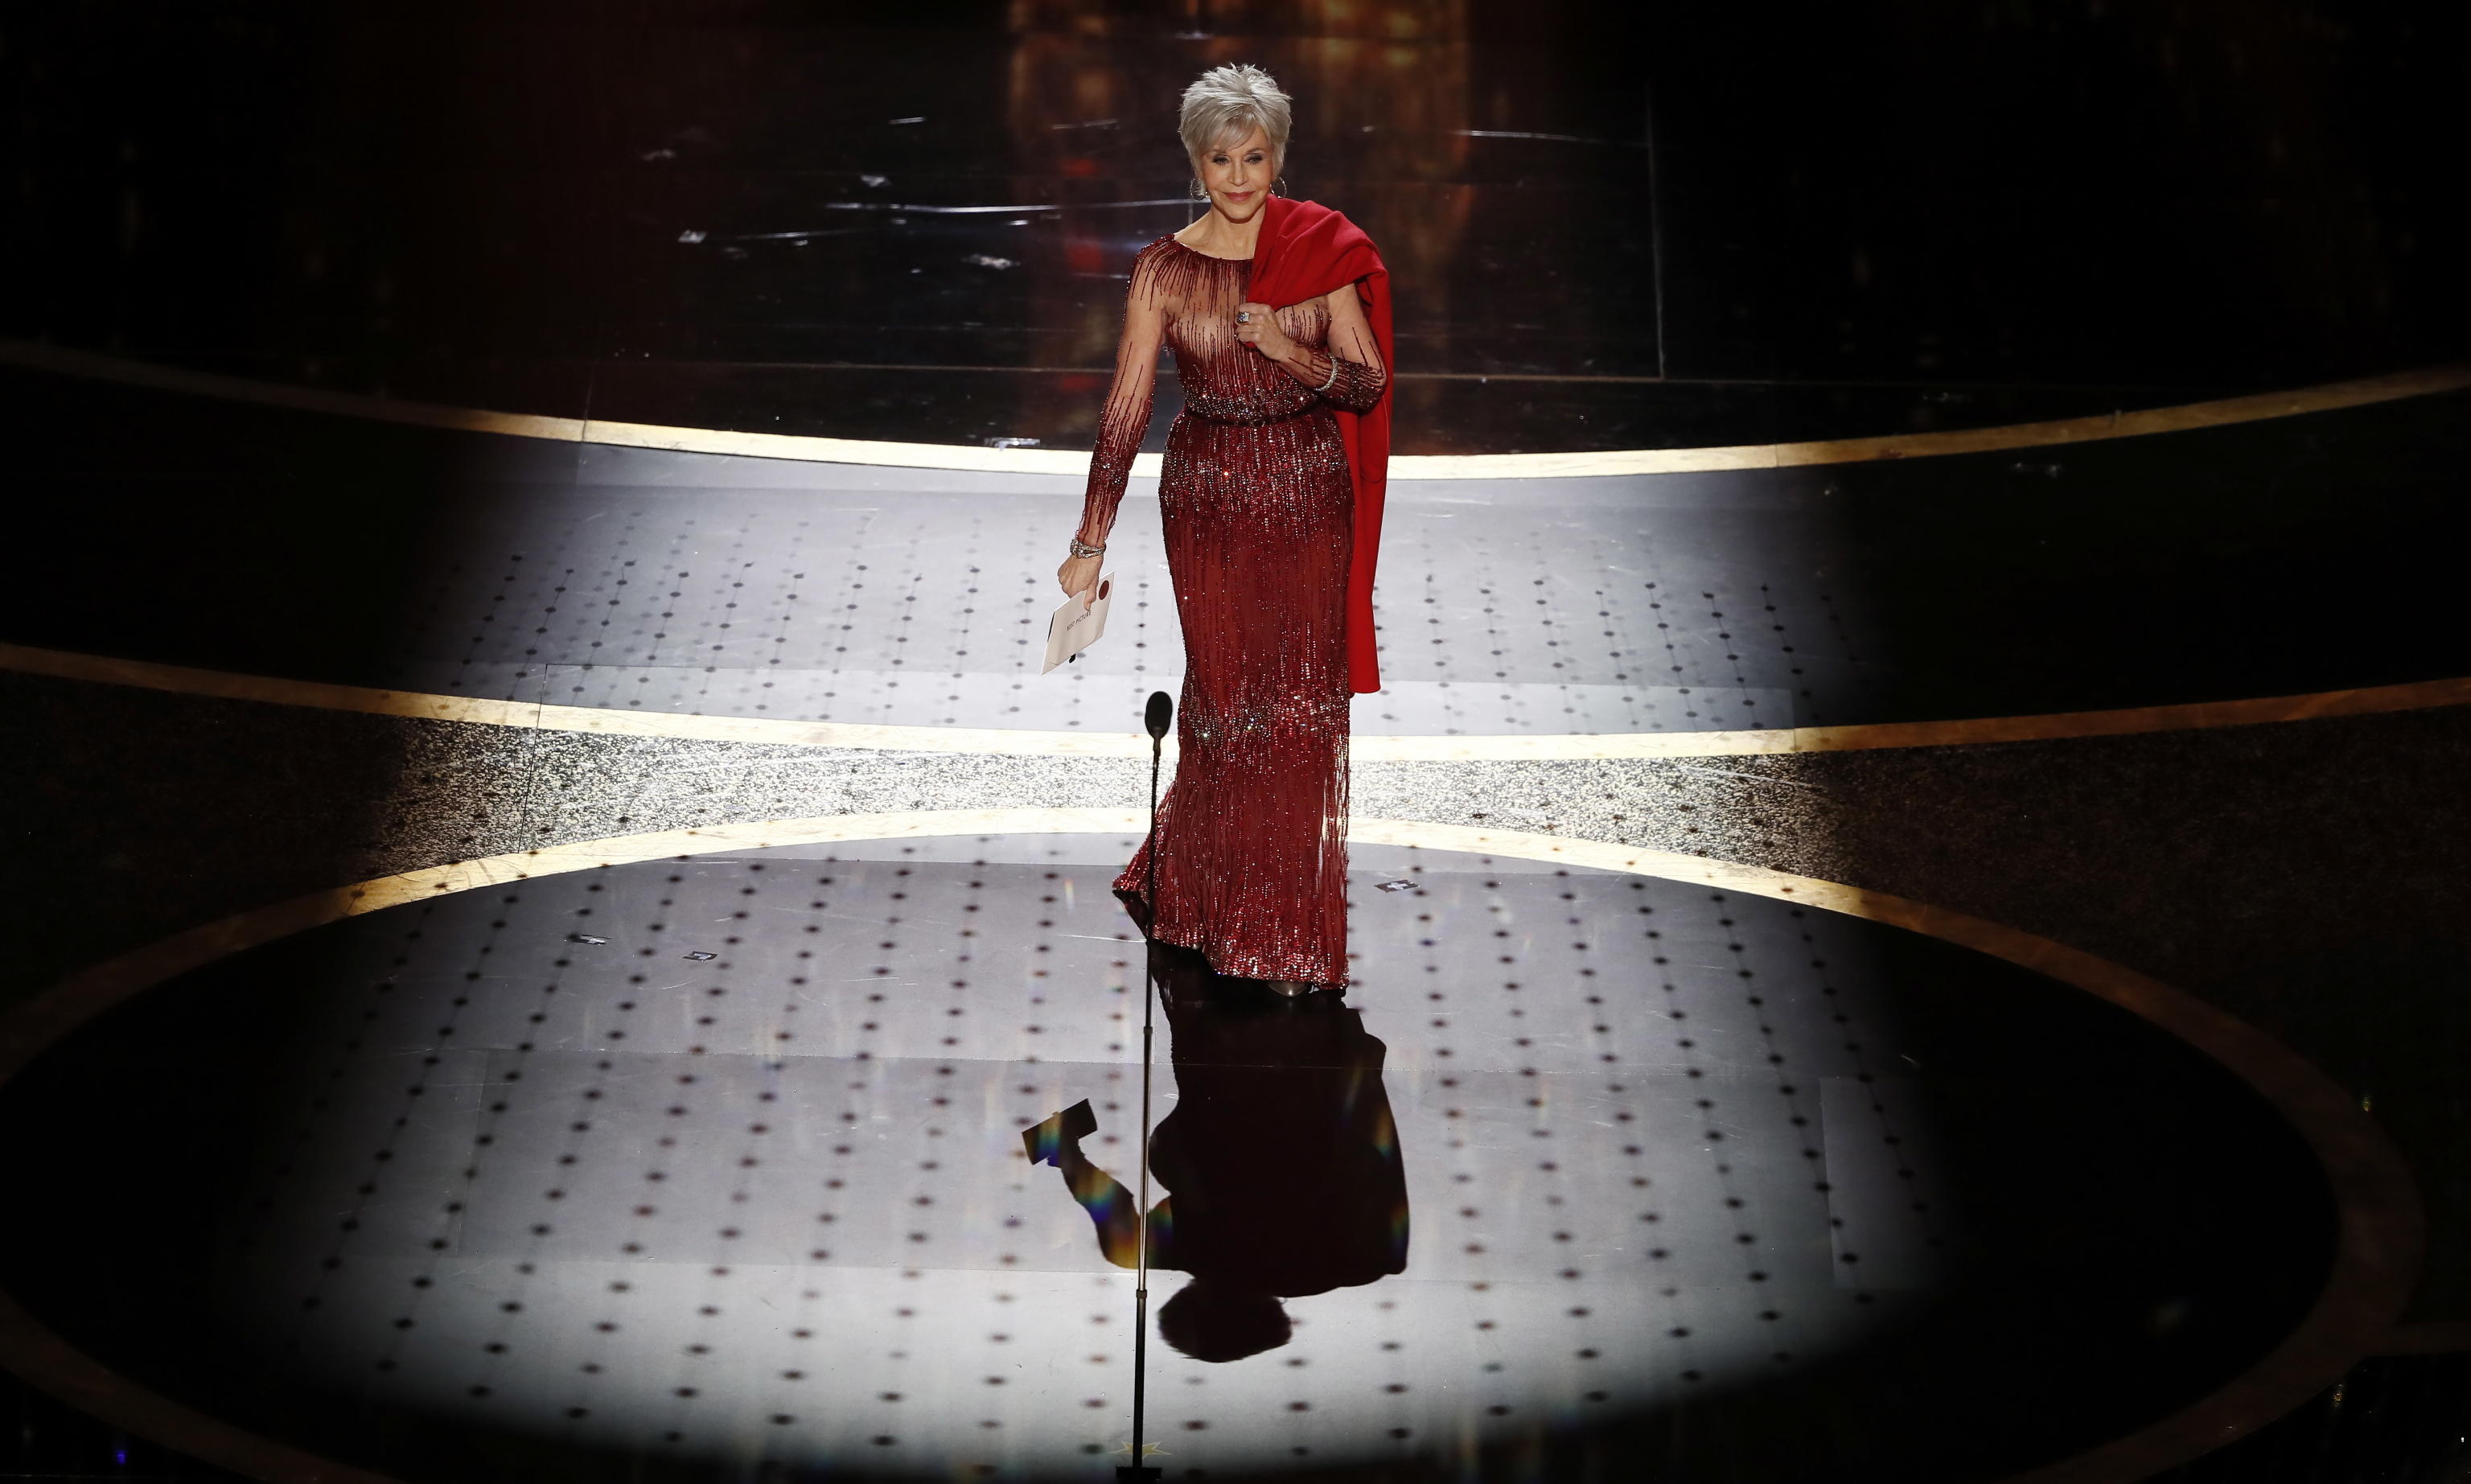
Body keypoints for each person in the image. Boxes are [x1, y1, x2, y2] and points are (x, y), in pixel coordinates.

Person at [1057, 64, 1394, 996]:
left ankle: (1271, 920)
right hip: (1207, 492)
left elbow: (1367, 384)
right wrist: (1090, 543)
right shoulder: (1165, 268)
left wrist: (1288, 348)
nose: (1239, 177)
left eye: (1255, 157)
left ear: (1277, 158)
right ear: (1195, 161)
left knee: (1298, 708)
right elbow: (1124, 411)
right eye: (1221, 159)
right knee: (1225, 696)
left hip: (1305, 487)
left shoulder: (1318, 254)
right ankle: (1208, 894)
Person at [1021, 939, 1410, 1363]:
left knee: (1284, 964)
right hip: (1224, 1072)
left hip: (1309, 1080)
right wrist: (1066, 1152)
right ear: (1195, 1303)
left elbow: (1379, 1164)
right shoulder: (1186, 1251)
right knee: (1218, 957)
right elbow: (1115, 1221)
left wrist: (1362, 1072)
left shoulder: (1351, 1264)